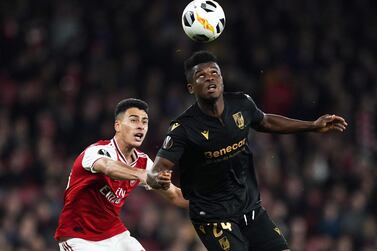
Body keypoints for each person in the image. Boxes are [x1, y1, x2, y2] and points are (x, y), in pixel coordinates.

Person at [147, 51, 348, 251]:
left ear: (222, 79)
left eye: (214, 73)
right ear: (191, 88)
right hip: (213, 217)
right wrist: (158, 179)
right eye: (201, 75)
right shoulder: (183, 128)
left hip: (250, 209)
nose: (210, 77)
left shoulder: (241, 104)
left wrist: (313, 125)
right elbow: (157, 170)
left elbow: (266, 121)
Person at [55, 98, 187, 251]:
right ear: (117, 125)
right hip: (79, 238)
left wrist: (212, 204)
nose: (140, 126)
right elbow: (108, 166)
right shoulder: (96, 151)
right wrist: (143, 175)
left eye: (144, 122)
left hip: (115, 235)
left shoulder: (143, 162)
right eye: (133, 120)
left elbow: (175, 195)